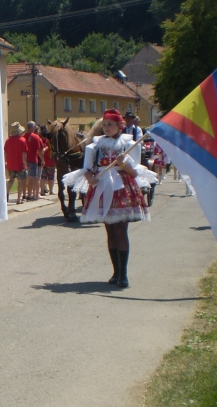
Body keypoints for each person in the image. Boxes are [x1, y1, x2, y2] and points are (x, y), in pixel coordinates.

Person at [63, 110, 157, 288]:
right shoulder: (94, 147)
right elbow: (88, 170)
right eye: (104, 124)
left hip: (122, 189)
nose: (106, 128)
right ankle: (115, 271)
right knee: (110, 232)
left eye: (110, 124)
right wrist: (91, 178)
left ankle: (124, 274)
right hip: (103, 189)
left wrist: (123, 164)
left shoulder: (129, 144)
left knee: (121, 231)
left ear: (119, 126)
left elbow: (134, 171)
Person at [4, 122, 27, 204]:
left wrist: (5, 162)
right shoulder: (22, 140)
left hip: (10, 163)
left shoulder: (7, 140)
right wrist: (25, 164)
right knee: (20, 181)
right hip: (20, 163)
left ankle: (6, 194)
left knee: (11, 180)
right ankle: (18, 199)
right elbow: (24, 153)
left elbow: (5, 153)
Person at [24, 121, 44, 201]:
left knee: (25, 178)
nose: (35, 128)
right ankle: (30, 195)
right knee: (32, 178)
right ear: (32, 128)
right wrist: (43, 159)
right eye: (34, 127)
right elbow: (40, 151)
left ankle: (26, 194)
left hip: (25, 160)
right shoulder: (36, 137)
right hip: (33, 160)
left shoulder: (23, 136)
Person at [40, 126, 56, 195]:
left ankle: (42, 191)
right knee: (51, 177)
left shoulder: (40, 141)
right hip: (50, 161)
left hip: (43, 161)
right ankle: (51, 191)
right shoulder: (50, 142)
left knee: (43, 177)